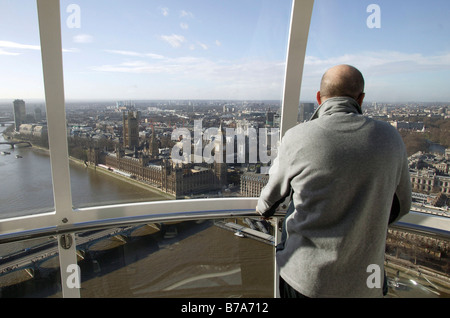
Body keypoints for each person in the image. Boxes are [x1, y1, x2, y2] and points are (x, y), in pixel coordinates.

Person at [256, 64, 412, 298]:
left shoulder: (298, 136)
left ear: (319, 97)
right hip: (366, 283)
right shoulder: (390, 138)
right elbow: (402, 205)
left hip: (306, 280)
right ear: (361, 99)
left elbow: (268, 202)